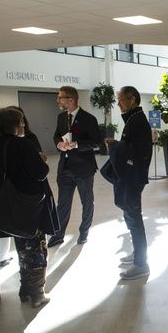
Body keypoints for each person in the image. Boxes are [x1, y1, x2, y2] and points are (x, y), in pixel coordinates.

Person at [0, 107, 57, 308]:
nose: (23, 126)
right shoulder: (21, 145)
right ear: (13, 125)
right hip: (28, 206)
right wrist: (41, 160)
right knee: (35, 247)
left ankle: (24, 288)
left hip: (3, 208)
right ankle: (37, 292)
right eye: (21, 122)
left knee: (22, 248)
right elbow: (40, 173)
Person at [48, 86, 101, 247]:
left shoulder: (89, 119)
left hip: (84, 169)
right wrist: (59, 144)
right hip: (65, 168)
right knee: (63, 203)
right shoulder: (61, 117)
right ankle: (58, 235)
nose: (58, 100)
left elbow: (96, 142)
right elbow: (56, 135)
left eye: (60, 97)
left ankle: (84, 233)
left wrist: (77, 144)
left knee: (87, 202)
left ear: (70, 100)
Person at [113, 86, 153, 280]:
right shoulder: (133, 119)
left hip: (133, 177)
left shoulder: (137, 121)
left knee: (134, 217)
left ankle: (141, 264)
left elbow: (139, 152)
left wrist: (117, 148)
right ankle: (138, 255)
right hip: (131, 176)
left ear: (133, 99)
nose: (118, 104)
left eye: (120, 100)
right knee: (130, 216)